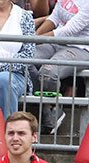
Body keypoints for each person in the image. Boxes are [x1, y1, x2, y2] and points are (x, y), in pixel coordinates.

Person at [34, 0, 89, 134]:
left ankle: (52, 113)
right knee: (24, 60)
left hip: (80, 47)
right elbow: (55, 17)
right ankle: (49, 108)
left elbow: (70, 30)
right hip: (55, 42)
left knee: (48, 72)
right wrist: (33, 38)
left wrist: (39, 39)